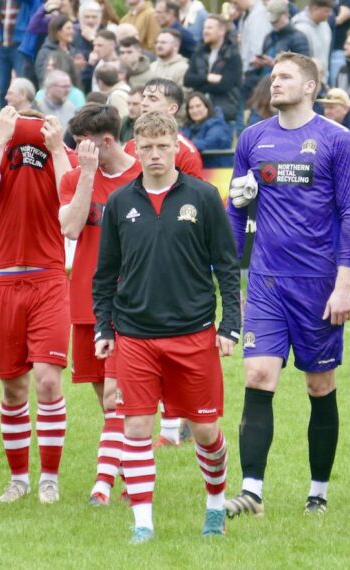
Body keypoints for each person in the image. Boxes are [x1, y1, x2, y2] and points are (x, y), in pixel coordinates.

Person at [92, 110, 241, 542]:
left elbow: (227, 267)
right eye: (147, 146)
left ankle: (215, 505)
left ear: (177, 146)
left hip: (193, 334)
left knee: (206, 432)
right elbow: (104, 274)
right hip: (134, 335)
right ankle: (143, 523)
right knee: (136, 428)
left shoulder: (204, 196)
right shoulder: (120, 202)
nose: (155, 154)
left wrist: (229, 324)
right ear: (135, 148)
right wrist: (104, 328)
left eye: (163, 145)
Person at [227, 52, 350, 517]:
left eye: (284, 76)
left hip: (318, 283)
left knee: (319, 384)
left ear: (310, 86)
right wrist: (229, 276)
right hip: (265, 280)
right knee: (258, 375)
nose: (275, 83)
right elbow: (235, 210)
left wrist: (343, 285)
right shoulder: (252, 138)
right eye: (272, 76)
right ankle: (252, 492)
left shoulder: (336, 140)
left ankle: (318, 492)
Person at [0, 107, 73, 504]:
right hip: (1, 279)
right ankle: (18, 479)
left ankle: (49, 477)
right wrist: (1, 138)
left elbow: (70, 191)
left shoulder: (58, 150)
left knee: (49, 381)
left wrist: (55, 146)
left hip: (48, 277)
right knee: (13, 388)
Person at [57, 104, 141, 506]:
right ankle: (130, 463)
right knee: (103, 396)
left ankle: (105, 483)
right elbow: (70, 228)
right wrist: (87, 175)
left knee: (116, 396)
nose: (77, 154)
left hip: (131, 304)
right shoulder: (76, 177)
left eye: (83, 147)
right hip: (85, 301)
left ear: (107, 141)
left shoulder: (142, 175)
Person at [124, 78, 203, 181]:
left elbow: (194, 194)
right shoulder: (129, 146)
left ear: (172, 108)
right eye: (144, 97)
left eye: (152, 99)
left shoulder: (187, 153)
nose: (143, 103)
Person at [184, 15, 242, 130]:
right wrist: (207, 77)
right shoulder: (199, 52)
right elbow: (187, 79)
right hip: (198, 112)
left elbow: (224, 85)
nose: (205, 31)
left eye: (209, 28)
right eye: (204, 28)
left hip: (224, 110)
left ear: (221, 31)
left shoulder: (232, 55)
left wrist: (200, 84)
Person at [0, 0, 39, 108]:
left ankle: (26, 116)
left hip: (20, 43)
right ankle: (4, 116)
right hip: (0, 43)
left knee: (23, 86)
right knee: (2, 89)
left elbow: (36, 9)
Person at [181, 92, 234, 167]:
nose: (195, 110)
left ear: (207, 107)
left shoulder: (218, 125)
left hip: (217, 172)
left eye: (198, 106)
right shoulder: (187, 127)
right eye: (191, 107)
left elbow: (208, 143)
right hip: (195, 172)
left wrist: (183, 146)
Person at [35, 15, 79, 88]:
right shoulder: (45, 52)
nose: (72, 32)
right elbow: (42, 75)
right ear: (58, 32)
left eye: (72, 28)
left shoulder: (73, 51)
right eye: (68, 28)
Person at [291, 0, 331, 78]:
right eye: (326, 11)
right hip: (307, 78)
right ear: (315, 9)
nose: (329, 14)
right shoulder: (300, 28)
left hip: (323, 78)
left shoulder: (326, 26)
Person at [328, 0, 350, 85]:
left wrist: (327, 22)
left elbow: (342, 17)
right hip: (327, 50)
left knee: (337, 84)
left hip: (338, 50)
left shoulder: (347, 1)